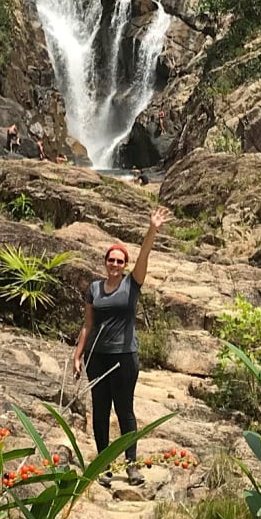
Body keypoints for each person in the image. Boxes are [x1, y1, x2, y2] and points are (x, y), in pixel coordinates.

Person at [73, 206, 173, 487]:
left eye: (119, 261)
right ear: (105, 262)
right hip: (97, 358)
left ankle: (132, 466)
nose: (115, 264)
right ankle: (102, 466)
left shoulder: (132, 283)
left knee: (125, 411)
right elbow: (87, 325)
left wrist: (152, 229)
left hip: (124, 357)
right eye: (111, 260)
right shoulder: (94, 288)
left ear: (125, 265)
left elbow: (144, 256)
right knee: (100, 410)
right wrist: (78, 355)